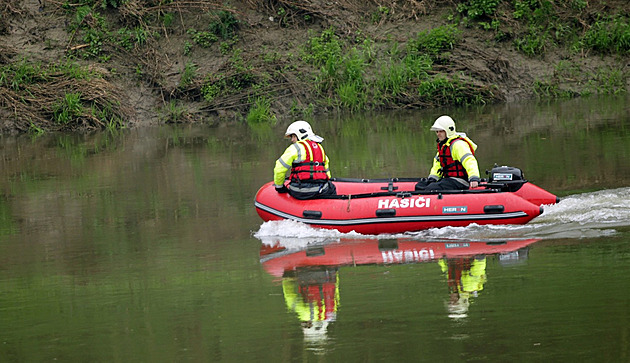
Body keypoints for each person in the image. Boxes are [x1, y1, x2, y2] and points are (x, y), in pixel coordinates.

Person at [274, 120, 336, 199]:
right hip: (321, 190)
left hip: (300, 191)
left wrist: (279, 187)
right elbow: (326, 171)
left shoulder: (295, 148)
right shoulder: (320, 148)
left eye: (293, 136)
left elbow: (279, 168)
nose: (292, 140)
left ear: (300, 135)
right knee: (332, 187)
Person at [416, 115, 481, 191]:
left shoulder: (458, 145)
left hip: (460, 181)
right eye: (437, 131)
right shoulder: (444, 146)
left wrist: (474, 178)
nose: (438, 134)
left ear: (448, 131)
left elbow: (469, 161)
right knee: (420, 186)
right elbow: (437, 166)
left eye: (441, 131)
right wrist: (432, 179)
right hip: (448, 180)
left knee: (432, 188)